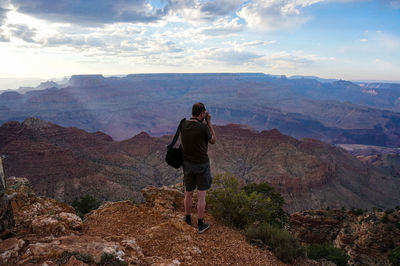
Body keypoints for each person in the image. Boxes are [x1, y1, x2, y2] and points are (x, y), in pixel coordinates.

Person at [180, 102, 216, 233]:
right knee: (201, 195)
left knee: (188, 193)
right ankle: (200, 224)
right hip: (202, 164)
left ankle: (188, 219)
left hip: (187, 163)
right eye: (204, 113)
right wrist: (209, 123)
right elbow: (213, 140)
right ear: (202, 114)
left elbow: (183, 143)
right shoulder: (203, 128)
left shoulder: (183, 124)